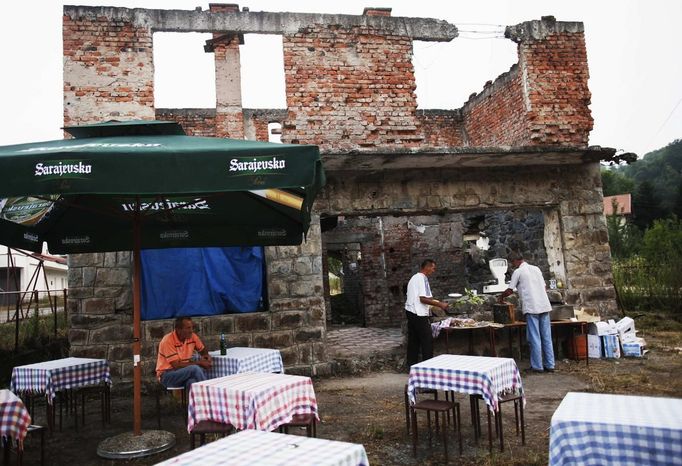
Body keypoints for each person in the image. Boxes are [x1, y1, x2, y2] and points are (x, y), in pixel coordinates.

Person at [499, 251, 555, 373]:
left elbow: (510, 290)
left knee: (534, 337)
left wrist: (501, 297)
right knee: (546, 337)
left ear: (515, 261)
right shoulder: (536, 269)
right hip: (544, 305)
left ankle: (537, 366)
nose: (512, 265)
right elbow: (544, 287)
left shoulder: (518, 272)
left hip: (532, 307)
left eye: (512, 262)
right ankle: (550, 364)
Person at [405, 259, 449, 368]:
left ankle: (411, 366)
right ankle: (428, 367)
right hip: (417, 313)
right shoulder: (421, 278)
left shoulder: (415, 278)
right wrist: (440, 305)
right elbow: (423, 299)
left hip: (411, 311)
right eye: (433, 268)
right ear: (427, 267)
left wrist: (435, 302)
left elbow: (427, 297)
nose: (433, 271)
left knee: (414, 340)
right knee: (427, 340)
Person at [156, 316, 212, 389]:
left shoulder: (192, 336)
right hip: (167, 375)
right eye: (188, 328)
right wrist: (200, 363)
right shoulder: (168, 340)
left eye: (192, 327)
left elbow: (203, 349)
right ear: (178, 330)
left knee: (192, 382)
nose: (191, 330)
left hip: (183, 373)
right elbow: (176, 365)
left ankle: (195, 400)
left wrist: (206, 355)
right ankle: (208, 395)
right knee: (194, 369)